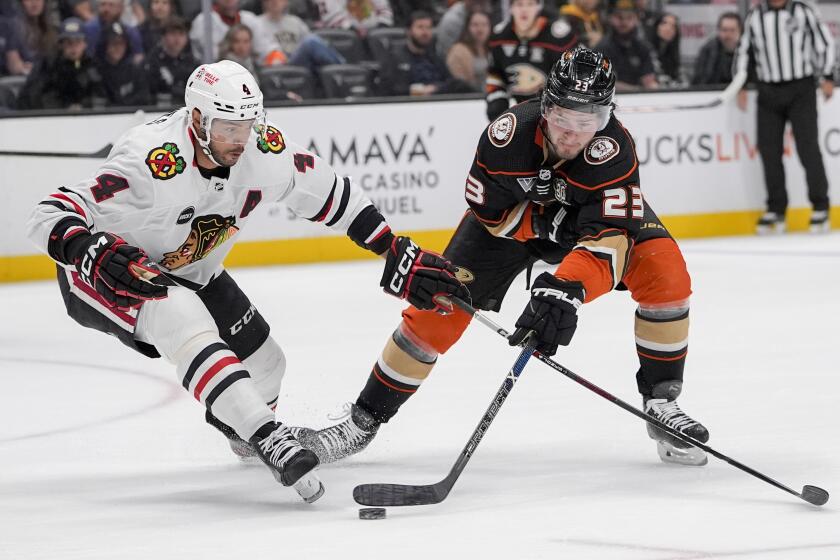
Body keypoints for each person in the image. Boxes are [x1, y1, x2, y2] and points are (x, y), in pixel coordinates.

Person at [25, 59, 468, 502]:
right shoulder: (150, 161)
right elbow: (49, 213)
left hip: (191, 269)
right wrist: (90, 251)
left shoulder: (263, 147)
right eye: (227, 129)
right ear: (197, 120)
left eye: (247, 125)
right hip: (113, 274)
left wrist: (391, 247)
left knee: (267, 364)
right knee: (180, 313)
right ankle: (268, 435)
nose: (240, 140)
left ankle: (242, 432)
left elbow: (329, 191)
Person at [294, 46, 711, 469]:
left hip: (588, 232)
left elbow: (611, 242)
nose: (572, 134)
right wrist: (551, 229)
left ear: (606, 117)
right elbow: (491, 216)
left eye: (588, 122)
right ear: (546, 107)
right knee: (437, 309)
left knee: (666, 273)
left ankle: (662, 407)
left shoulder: (615, 150)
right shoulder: (506, 136)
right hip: (511, 226)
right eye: (564, 118)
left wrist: (567, 287)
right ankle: (362, 423)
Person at [734, 0, 833, 234]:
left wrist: (828, 75)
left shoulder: (803, 10)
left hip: (801, 88)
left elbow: (824, 43)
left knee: (808, 148)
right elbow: (743, 51)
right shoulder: (755, 16)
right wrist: (740, 83)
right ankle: (776, 209)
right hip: (768, 90)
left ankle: (820, 205)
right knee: (769, 151)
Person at [485, 0, 578, 120]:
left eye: (530, 4)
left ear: (538, 7)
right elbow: (495, 73)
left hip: (554, 107)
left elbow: (575, 73)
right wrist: (497, 100)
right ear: (511, 8)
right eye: (519, 4)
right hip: (520, 106)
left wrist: (561, 104)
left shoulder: (559, 37)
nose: (524, 10)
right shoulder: (499, 36)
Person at [379, 10, 474, 96]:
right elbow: (389, 88)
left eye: (428, 28)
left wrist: (435, 88)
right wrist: (419, 90)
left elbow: (451, 81)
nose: (425, 32)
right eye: (420, 27)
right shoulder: (395, 58)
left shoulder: (434, 57)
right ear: (408, 31)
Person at [17, 17, 105, 109]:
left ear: (85, 44)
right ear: (61, 44)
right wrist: (65, 108)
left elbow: (100, 96)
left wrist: (84, 106)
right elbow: (36, 95)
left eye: (77, 42)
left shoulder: (93, 66)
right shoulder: (48, 65)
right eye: (69, 42)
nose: (73, 47)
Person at [254, 0, 344, 73]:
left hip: (298, 63)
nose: (274, 2)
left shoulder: (295, 21)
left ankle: (341, 70)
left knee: (317, 43)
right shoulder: (257, 23)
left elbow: (315, 46)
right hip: (276, 66)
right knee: (310, 42)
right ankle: (343, 68)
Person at [595, 0, 657, 92]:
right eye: (619, 17)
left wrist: (653, 88)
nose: (624, 22)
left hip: (641, 100)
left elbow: (649, 80)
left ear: (636, 19)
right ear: (610, 18)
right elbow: (606, 83)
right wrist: (639, 90)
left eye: (629, 17)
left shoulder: (642, 47)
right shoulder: (602, 48)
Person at [145, 16, 197, 105]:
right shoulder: (152, 62)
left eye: (181, 34)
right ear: (163, 37)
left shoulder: (192, 63)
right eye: (173, 33)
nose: (177, 38)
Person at [96, 21, 150, 106]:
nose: (118, 48)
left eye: (121, 43)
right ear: (105, 45)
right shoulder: (97, 71)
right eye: (114, 43)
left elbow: (144, 97)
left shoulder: (135, 71)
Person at [3, 0, 59, 76]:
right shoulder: (14, 26)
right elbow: (14, 66)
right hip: (23, 80)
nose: (34, 3)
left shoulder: (52, 27)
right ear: (21, 3)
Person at [446, 9, 491, 92]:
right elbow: (460, 83)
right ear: (467, 27)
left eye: (484, 25)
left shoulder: (494, 48)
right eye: (475, 25)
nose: (480, 29)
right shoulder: (458, 51)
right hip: (468, 97)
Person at [691, 12, 741, 86]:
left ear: (740, 32)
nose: (728, 35)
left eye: (732, 30)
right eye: (725, 30)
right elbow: (699, 82)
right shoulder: (708, 51)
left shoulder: (748, 52)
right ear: (718, 31)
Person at [315, 0, 394, 37]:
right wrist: (355, 31)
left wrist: (377, 31)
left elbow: (385, 12)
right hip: (345, 37)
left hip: (376, 34)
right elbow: (333, 19)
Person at [649, 12, 682, 87]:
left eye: (673, 26)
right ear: (656, 26)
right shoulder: (646, 49)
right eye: (664, 23)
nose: (668, 28)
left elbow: (676, 76)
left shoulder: (672, 53)